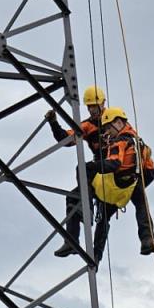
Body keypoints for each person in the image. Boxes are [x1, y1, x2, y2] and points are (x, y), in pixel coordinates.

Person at [91, 106, 154, 259]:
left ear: (117, 123)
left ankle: (95, 256)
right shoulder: (137, 142)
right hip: (128, 183)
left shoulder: (121, 142)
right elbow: (150, 172)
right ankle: (147, 239)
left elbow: (114, 163)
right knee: (141, 205)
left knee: (104, 218)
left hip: (115, 185)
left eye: (109, 127)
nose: (108, 132)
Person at [46, 85, 105, 257]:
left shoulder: (115, 120)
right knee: (73, 196)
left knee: (104, 218)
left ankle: (87, 206)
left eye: (94, 106)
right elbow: (67, 139)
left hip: (116, 167)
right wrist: (53, 123)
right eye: (90, 107)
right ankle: (71, 241)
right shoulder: (87, 125)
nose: (92, 110)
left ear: (102, 103)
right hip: (98, 170)